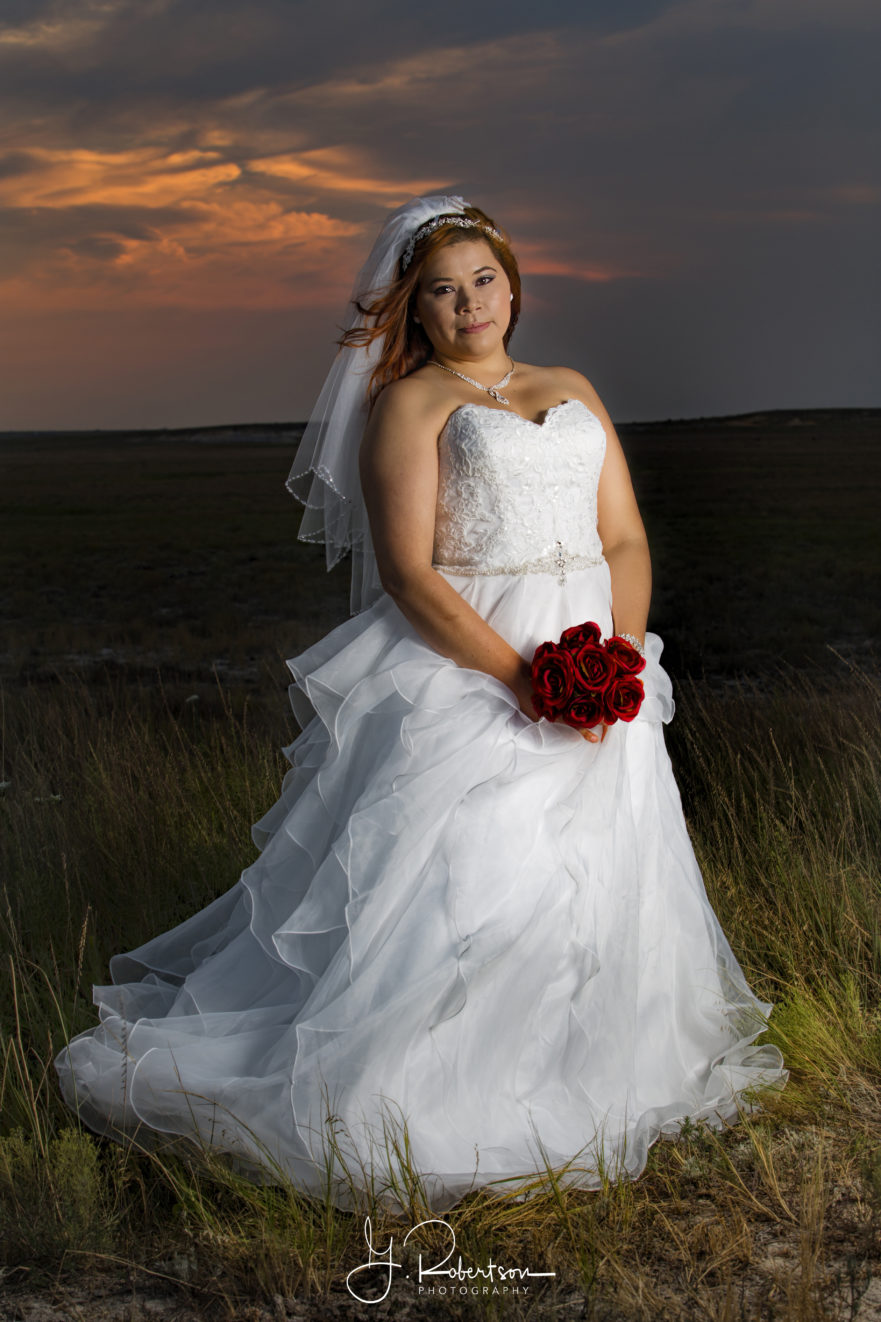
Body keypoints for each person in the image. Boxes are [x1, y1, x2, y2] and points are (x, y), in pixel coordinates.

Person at [55, 194, 787, 1214]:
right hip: (475, 664)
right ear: (416, 308)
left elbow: (620, 535)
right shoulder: (408, 404)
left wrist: (611, 660)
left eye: (482, 280)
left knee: (605, 864)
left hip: (599, 657)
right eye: (440, 291)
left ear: (513, 284)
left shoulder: (570, 386)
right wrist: (528, 678)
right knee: (476, 875)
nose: (467, 303)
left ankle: (602, 1062)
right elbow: (408, 574)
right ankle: (433, 1090)